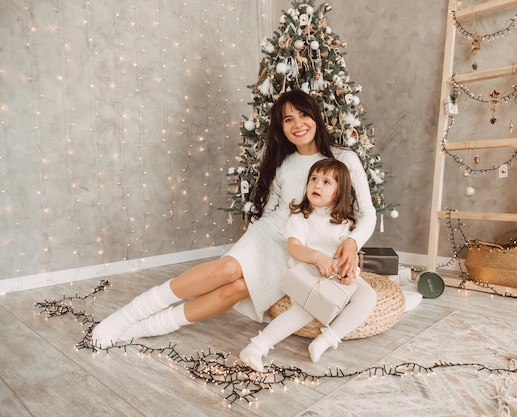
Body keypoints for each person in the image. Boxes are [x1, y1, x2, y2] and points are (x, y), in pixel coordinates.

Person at [91, 89, 377, 349]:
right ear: (281, 127)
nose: (298, 124)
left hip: (299, 250)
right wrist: (252, 240)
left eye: (303, 115)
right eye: (288, 119)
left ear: (315, 116)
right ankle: (129, 314)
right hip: (274, 231)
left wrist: (352, 243)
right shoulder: (284, 163)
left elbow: (368, 212)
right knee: (226, 270)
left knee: (239, 290)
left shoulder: (344, 159)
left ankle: (149, 327)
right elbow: (272, 212)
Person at [239, 158, 377, 371]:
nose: (317, 185)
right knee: (307, 309)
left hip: (335, 277)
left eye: (326, 182)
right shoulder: (301, 216)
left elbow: (348, 255)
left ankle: (327, 339)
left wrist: (349, 272)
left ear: (339, 193)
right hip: (309, 274)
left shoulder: (347, 222)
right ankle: (257, 347)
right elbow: (294, 248)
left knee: (367, 296)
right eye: (313, 179)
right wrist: (317, 257)